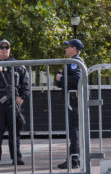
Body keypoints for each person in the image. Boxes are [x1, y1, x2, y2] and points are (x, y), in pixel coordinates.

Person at [0, 39, 30, 166]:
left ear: (10, 49)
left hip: (13, 104)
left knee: (15, 133)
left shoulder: (17, 64)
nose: (4, 49)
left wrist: (22, 97)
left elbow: (26, 82)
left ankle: (16, 157)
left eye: (7, 47)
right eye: (2, 47)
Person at [56, 39, 85, 169]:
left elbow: (77, 79)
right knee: (73, 130)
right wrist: (59, 79)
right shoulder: (70, 63)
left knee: (74, 130)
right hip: (71, 100)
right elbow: (61, 82)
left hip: (74, 100)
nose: (66, 48)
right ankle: (73, 158)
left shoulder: (75, 62)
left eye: (67, 46)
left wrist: (62, 78)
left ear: (74, 48)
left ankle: (74, 159)